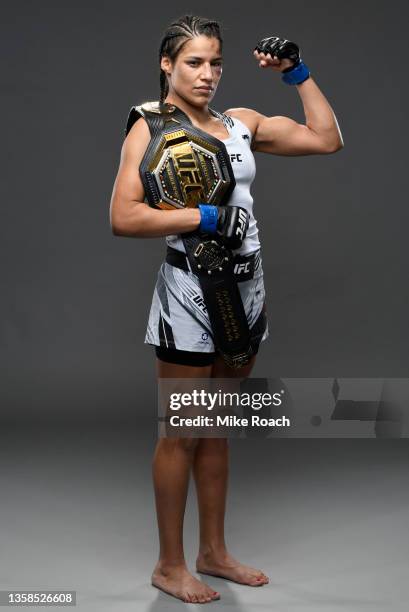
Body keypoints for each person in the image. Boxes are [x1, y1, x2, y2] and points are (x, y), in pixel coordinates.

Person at [110, 14, 343, 605]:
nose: (208, 74)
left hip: (246, 289)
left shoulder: (240, 124)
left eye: (215, 62)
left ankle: (213, 552)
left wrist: (296, 72)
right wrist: (203, 217)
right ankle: (169, 564)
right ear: (168, 65)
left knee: (217, 428)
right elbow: (124, 216)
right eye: (194, 62)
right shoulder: (150, 126)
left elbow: (326, 137)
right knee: (182, 431)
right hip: (189, 293)